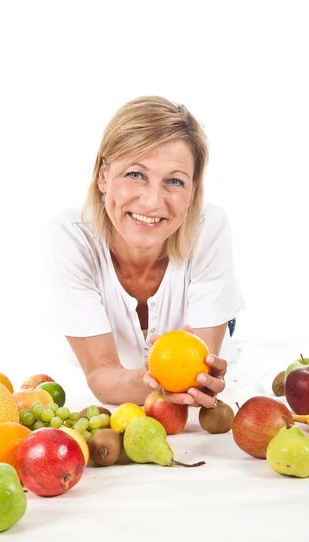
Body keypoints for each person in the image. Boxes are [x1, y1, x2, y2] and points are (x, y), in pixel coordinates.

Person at [45, 96, 245, 407]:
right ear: (102, 176)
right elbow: (100, 374)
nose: (152, 202)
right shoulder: (72, 235)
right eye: (135, 174)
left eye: (174, 181)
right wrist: (156, 381)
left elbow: (197, 373)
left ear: (193, 192)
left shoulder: (209, 227)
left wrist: (196, 378)